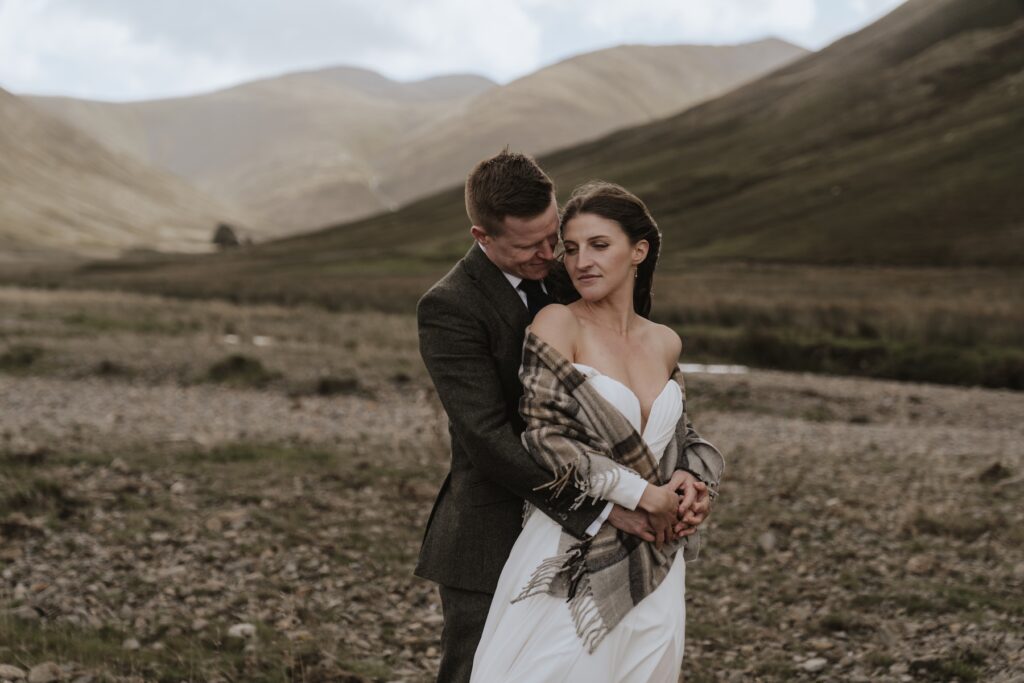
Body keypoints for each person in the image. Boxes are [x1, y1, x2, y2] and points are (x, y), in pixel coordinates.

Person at [414, 150, 714, 683]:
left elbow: (648, 397)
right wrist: (602, 509)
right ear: (483, 236)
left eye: (555, 235)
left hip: (629, 532)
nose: (553, 254)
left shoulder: (573, 274)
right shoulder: (451, 306)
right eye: (533, 246)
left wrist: (690, 471)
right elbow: (488, 437)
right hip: (496, 526)